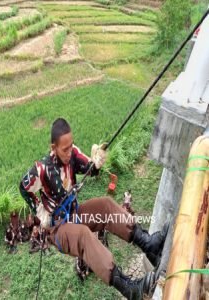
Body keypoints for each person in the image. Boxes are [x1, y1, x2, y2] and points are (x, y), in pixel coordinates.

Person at [19, 118, 168, 300]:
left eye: (70, 146)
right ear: (53, 147)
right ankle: (129, 288)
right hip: (57, 229)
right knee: (83, 235)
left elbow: (89, 168)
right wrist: (40, 211)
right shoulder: (42, 169)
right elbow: (23, 187)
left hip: (74, 215)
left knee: (105, 205)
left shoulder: (72, 154)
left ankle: (148, 243)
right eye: (64, 149)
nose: (68, 152)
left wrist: (96, 162)